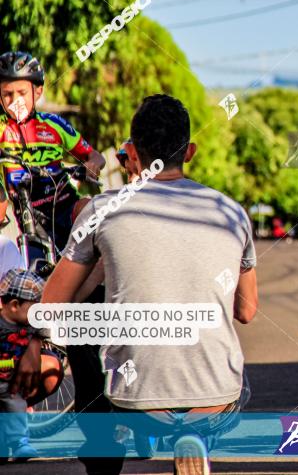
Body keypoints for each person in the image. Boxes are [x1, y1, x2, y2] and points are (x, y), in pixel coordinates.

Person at [39, 94, 258, 475]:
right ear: (189, 151)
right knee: (228, 380)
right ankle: (195, 437)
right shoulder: (231, 212)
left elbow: (52, 307)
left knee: (87, 333)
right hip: (215, 394)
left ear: (133, 152)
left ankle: (104, 460)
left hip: (134, 398)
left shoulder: (100, 210)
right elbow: (246, 310)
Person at [0, 51, 105, 259]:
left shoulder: (54, 124)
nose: (15, 101)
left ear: (37, 91)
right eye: (7, 95)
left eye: (21, 93)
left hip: (67, 207)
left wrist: (92, 164)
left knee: (91, 209)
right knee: (36, 279)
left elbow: (96, 156)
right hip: (31, 222)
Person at [0, 269, 45, 461]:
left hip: (10, 384)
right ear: (14, 305)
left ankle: (19, 442)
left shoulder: (28, 326)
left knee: (16, 408)